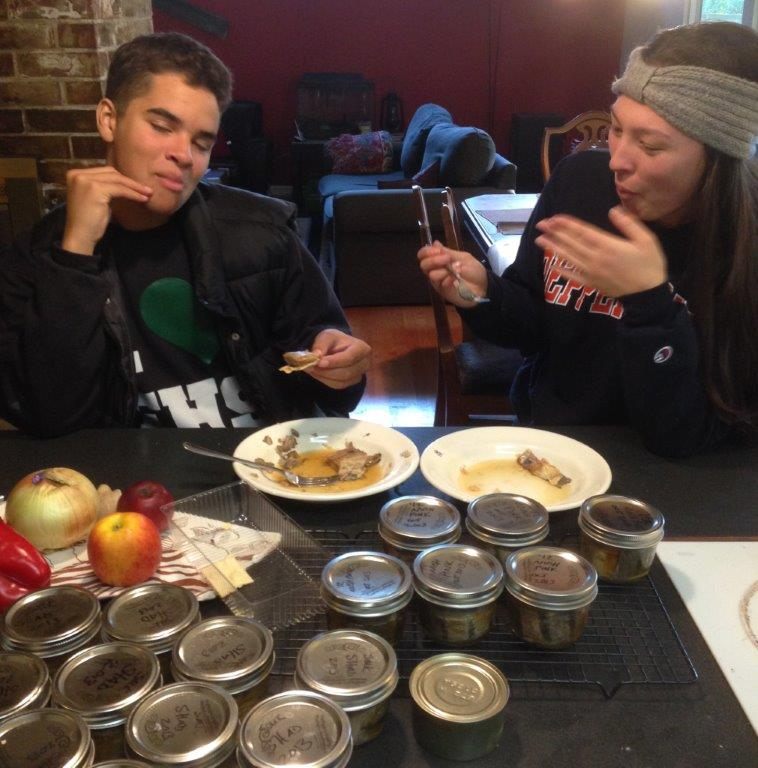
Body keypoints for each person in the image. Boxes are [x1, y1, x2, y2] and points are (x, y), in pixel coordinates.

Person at [0, 32, 371, 437]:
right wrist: (75, 257)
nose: (184, 155)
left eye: (201, 142)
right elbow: (53, 420)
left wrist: (341, 366)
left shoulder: (264, 233)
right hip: (131, 486)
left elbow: (334, 390)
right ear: (109, 119)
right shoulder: (35, 257)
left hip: (272, 468)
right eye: (162, 126)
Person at [418, 21, 758, 457]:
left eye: (650, 146)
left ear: (719, 160)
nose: (617, 160)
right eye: (617, 128)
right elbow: (535, 324)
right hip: (555, 446)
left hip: (681, 477)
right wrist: (483, 293)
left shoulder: (743, 251)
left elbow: (685, 435)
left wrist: (650, 303)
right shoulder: (579, 183)